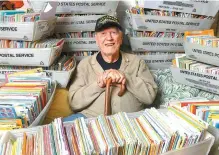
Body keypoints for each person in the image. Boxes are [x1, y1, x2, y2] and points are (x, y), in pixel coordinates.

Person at [64, 15, 158, 121]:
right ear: (97, 40)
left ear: (121, 38)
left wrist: (126, 77)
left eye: (113, 33)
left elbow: (149, 97)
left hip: (129, 119)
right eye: (103, 33)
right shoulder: (85, 64)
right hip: (91, 118)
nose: (109, 38)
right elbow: (74, 103)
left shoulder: (137, 62)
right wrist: (98, 85)